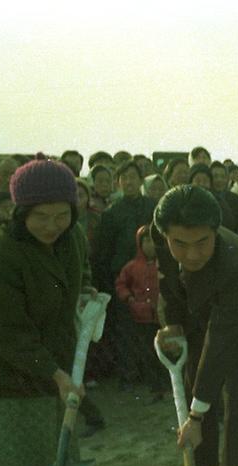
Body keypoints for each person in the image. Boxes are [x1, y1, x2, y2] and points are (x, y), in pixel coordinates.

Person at [0, 157, 94, 466]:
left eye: (61, 215)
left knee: (56, 460)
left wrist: (87, 293)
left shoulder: (73, 237)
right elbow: (7, 333)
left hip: (55, 371)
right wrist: (54, 373)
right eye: (41, 216)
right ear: (20, 212)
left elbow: (81, 273)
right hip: (6, 378)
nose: (52, 226)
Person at [153, 185, 238, 466]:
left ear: (216, 230)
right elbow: (169, 281)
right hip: (201, 316)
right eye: (180, 244)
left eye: (201, 242)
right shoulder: (160, 232)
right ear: (165, 235)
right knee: (195, 385)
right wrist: (173, 322)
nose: (192, 254)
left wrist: (195, 415)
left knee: (236, 398)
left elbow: (221, 339)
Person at [92, 160, 156, 390]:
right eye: (124, 178)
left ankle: (152, 374)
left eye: (133, 177)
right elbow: (103, 251)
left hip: (151, 274)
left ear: (140, 180)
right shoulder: (111, 213)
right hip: (124, 277)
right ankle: (128, 374)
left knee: (152, 325)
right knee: (126, 328)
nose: (129, 181)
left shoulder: (153, 207)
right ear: (118, 183)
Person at [115, 225, 167, 403]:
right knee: (147, 351)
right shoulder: (131, 267)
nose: (150, 245)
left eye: (153, 240)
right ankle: (154, 385)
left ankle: (166, 383)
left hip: (163, 317)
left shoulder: (166, 263)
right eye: (146, 241)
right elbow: (121, 284)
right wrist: (130, 299)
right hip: (142, 317)